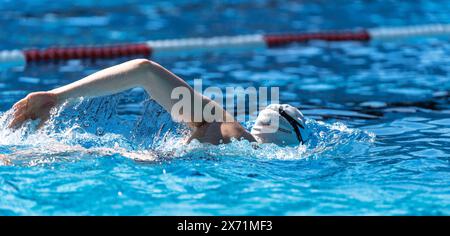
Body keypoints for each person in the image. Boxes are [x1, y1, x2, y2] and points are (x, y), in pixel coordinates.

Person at [8, 59, 309, 146]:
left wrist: (58, 96)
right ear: (289, 140)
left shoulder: (229, 130)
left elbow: (144, 70)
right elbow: (145, 69)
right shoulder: (232, 130)